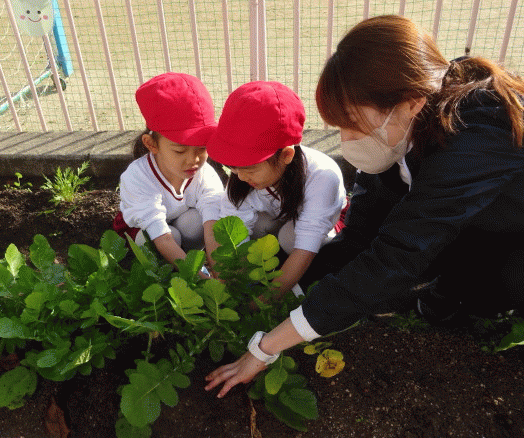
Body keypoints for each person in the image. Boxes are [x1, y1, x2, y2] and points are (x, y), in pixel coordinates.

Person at [205, 15, 524, 398]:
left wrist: (266, 347)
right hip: (480, 222)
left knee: (497, 286)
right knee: (417, 263)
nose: (347, 141)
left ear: (411, 103)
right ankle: (454, 288)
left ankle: (471, 290)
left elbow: (397, 255)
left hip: (512, 233)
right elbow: (359, 241)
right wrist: (286, 295)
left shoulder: (474, 132)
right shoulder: (400, 129)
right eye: (340, 126)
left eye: (354, 125)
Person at [206, 80, 346, 300]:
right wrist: (231, 288)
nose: (240, 176)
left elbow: (306, 246)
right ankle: (274, 273)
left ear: (286, 155)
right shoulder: (242, 179)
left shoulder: (322, 176)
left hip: (317, 230)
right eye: (233, 167)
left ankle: (300, 286)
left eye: (250, 168)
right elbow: (234, 237)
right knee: (257, 228)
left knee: (291, 238)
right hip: (276, 221)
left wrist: (264, 302)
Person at [113, 72, 224, 274]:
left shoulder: (205, 174)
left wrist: (221, 274)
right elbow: (162, 237)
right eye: (180, 151)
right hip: (145, 230)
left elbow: (212, 226)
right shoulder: (137, 176)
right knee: (156, 238)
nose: (193, 160)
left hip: (180, 223)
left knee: (196, 222)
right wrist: (198, 278)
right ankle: (165, 273)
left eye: (202, 148)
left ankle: (191, 261)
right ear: (151, 144)